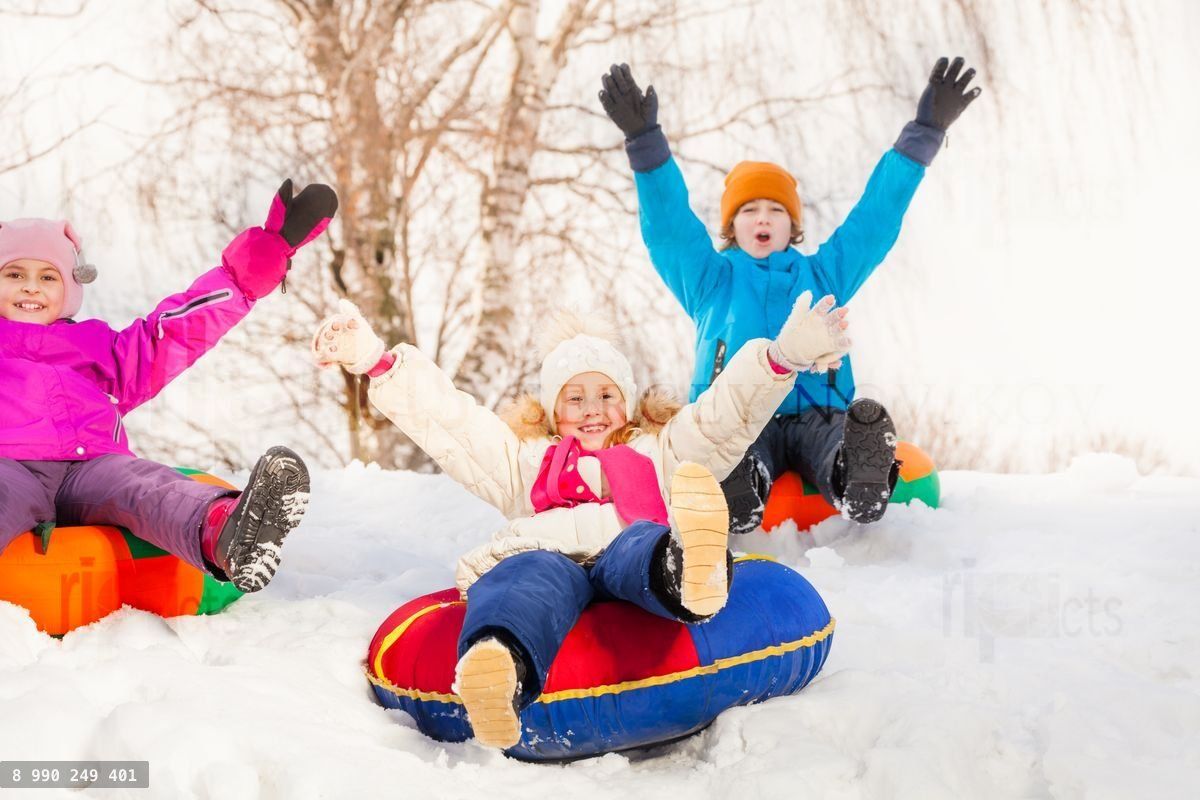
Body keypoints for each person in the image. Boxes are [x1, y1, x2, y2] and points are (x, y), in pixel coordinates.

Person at [312, 290, 848, 747]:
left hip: (629, 549)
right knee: (521, 579)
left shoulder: (660, 449)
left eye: (606, 395)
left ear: (630, 404)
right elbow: (451, 423)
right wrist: (378, 362)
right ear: (551, 412)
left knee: (644, 546)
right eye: (575, 398)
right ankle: (498, 666)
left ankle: (691, 574)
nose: (592, 409)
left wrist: (781, 357)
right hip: (547, 556)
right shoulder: (523, 462)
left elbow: (722, 416)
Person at [599, 57, 981, 529]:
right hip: (738, 413)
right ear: (731, 226)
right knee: (734, 446)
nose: (763, 219)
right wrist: (646, 146)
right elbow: (670, 231)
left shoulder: (825, 273)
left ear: (793, 226)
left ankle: (855, 473)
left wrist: (924, 133)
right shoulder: (709, 280)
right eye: (750, 210)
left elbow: (873, 223)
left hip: (818, 410)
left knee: (834, 438)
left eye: (776, 210)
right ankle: (737, 488)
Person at [0, 180, 337, 592]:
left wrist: (251, 269)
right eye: (14, 273)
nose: (31, 286)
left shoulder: (97, 345)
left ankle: (230, 534)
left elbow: (172, 334)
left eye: (47, 277)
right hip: (9, 466)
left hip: (93, 465)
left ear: (70, 287)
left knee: (147, 487)